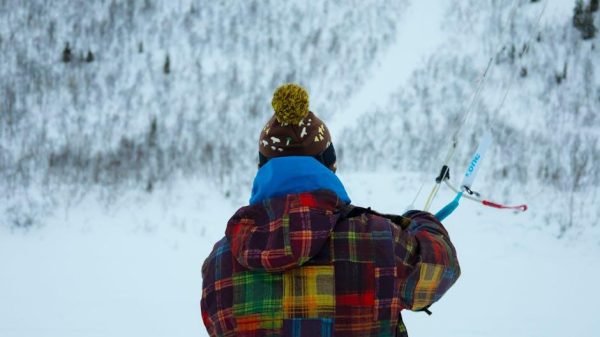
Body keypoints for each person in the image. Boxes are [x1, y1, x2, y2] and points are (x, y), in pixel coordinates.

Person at [201, 83, 460, 337]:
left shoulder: (219, 263)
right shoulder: (383, 242)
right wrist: (418, 221)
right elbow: (443, 268)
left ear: (262, 168)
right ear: (330, 164)